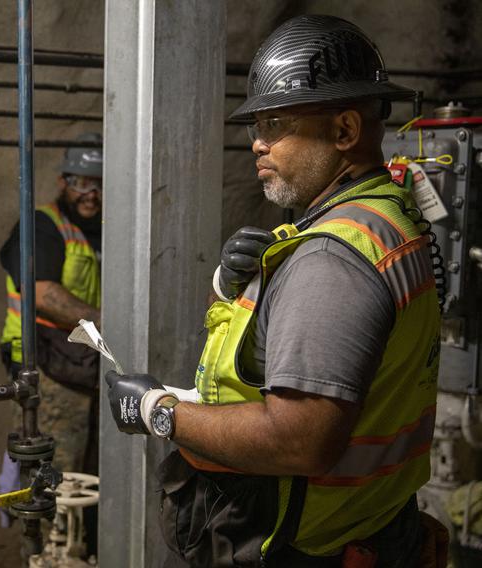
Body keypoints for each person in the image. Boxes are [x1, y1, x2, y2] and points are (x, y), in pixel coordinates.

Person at [105, 15, 443, 567]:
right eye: (256, 126)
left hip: (304, 547)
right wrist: (240, 287)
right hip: (369, 524)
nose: (257, 144)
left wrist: (155, 411)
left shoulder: (332, 258)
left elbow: (299, 440)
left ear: (344, 131)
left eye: (276, 123)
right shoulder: (389, 220)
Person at [0, 133, 103, 478]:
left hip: (85, 361)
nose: (92, 195)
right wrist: (109, 321)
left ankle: (84, 533)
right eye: (83, 183)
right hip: (42, 362)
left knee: (91, 470)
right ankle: (49, 532)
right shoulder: (42, 226)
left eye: (100, 184)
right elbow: (41, 294)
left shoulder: (105, 229)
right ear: (63, 182)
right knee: (56, 472)